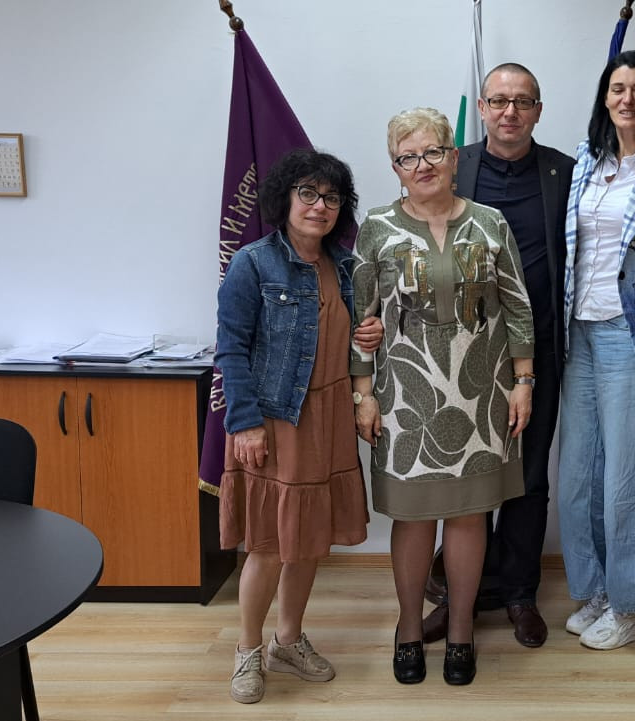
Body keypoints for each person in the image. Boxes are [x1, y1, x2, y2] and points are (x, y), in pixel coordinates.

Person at [351, 107, 536, 686]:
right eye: (408, 157)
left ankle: (460, 631)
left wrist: (524, 382)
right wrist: (363, 392)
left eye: (433, 152)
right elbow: (361, 318)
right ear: (395, 168)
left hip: (481, 395)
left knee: (468, 517)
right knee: (412, 518)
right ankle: (409, 628)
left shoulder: (490, 223)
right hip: (406, 400)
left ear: (454, 158)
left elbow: (518, 306)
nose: (423, 165)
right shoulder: (376, 227)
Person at [418, 63, 575, 649]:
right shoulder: (452, 165)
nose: (511, 112)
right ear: (481, 108)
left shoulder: (564, 173)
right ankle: (461, 598)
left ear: (538, 111)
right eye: (500, 101)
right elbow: (409, 230)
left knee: (529, 478)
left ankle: (519, 593)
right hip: (466, 354)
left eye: (523, 101)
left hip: (541, 350)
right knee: (470, 478)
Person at [214, 149, 372, 704]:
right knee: (267, 544)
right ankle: (247, 650)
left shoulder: (346, 265)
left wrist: (367, 338)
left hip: (329, 419)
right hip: (274, 419)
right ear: (284, 199)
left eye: (331, 198)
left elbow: (350, 338)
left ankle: (288, 641)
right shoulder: (253, 263)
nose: (319, 206)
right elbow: (230, 349)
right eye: (308, 193)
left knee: (306, 542)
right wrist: (245, 424)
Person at [557, 49, 635, 651]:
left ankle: (633, 607)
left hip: (628, 333)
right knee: (577, 475)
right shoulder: (587, 160)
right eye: (617, 87)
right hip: (577, 329)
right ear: (605, 97)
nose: (626, 99)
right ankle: (597, 591)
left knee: (625, 476)